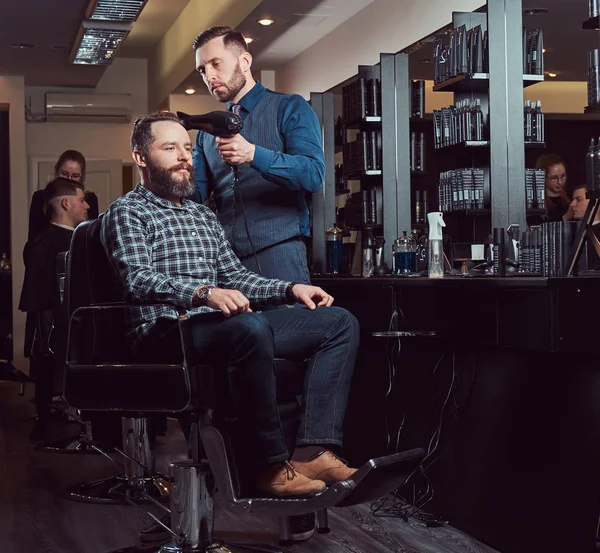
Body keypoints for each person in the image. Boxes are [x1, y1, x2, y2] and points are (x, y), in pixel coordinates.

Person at [101, 112, 359, 504]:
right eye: (169, 148)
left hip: (216, 328)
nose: (184, 156)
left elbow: (237, 278)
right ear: (141, 158)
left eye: (187, 148)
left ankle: (314, 450)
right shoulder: (128, 211)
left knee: (338, 323)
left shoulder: (203, 215)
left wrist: (292, 288)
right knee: (249, 327)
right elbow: (136, 279)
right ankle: (269, 465)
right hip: (164, 332)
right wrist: (203, 292)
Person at [191, 26, 325, 284]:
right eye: (202, 69)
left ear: (244, 61)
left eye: (216, 64)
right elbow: (194, 198)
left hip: (279, 253)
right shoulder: (205, 135)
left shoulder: (289, 107)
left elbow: (313, 175)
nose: (209, 75)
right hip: (225, 262)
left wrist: (253, 154)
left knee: (288, 325)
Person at [19, 178, 90, 439]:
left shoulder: (80, 239)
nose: (87, 207)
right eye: (81, 200)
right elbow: (41, 297)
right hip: (55, 329)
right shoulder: (45, 243)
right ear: (65, 202)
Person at [28, 150, 99, 239]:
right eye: (64, 174)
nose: (69, 179)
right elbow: (33, 235)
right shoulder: (40, 197)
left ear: (82, 177)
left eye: (75, 175)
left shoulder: (90, 199)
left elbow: (92, 235)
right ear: (57, 172)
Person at [536, 154, 572, 223]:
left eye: (563, 176)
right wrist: (564, 218)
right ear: (543, 177)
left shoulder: (570, 197)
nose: (560, 182)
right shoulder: (536, 203)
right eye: (554, 178)